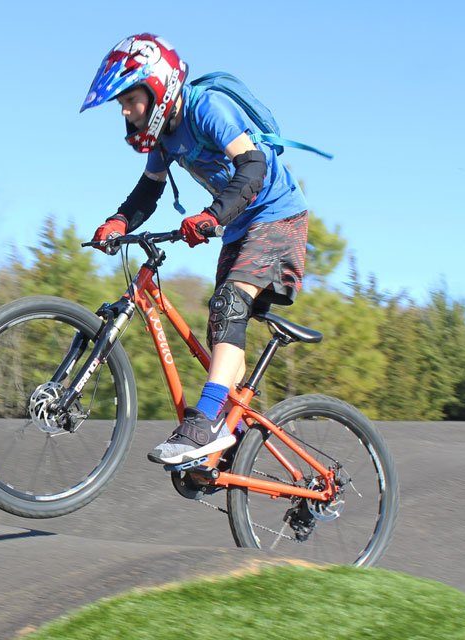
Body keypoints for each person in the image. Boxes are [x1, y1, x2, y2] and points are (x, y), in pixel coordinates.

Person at [81, 34, 310, 466]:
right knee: (223, 329)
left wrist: (211, 215)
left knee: (229, 304)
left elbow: (253, 164)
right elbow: (147, 193)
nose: (127, 112)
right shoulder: (165, 137)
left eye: (130, 100)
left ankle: (203, 422)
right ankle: (232, 436)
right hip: (240, 228)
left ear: (158, 86)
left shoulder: (206, 108)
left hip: (279, 218)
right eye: (122, 105)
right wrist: (119, 221)